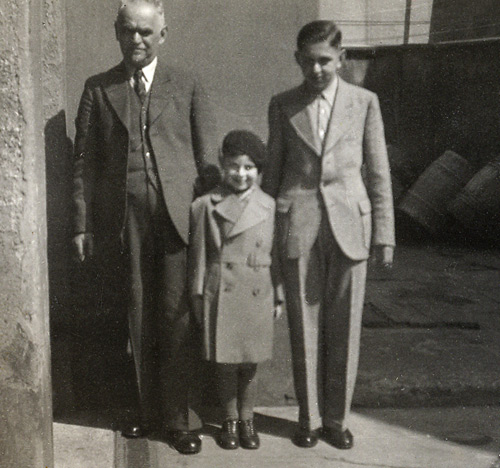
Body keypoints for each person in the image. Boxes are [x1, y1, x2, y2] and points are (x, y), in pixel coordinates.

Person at [71, 0, 217, 454]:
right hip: (123, 221)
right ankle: (140, 411)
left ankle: (179, 419)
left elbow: (207, 156)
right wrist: (82, 224)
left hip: (178, 219)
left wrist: (212, 220)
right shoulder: (98, 88)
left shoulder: (188, 84)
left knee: (176, 315)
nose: (136, 39)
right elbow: (84, 166)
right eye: (127, 30)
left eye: (145, 32)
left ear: (163, 35)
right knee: (133, 313)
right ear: (117, 33)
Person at [261, 20, 395, 450]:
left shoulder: (365, 102)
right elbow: (273, 175)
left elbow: (378, 173)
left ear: (341, 58)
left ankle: (337, 419)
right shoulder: (283, 105)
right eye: (309, 61)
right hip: (298, 224)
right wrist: (263, 236)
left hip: (351, 225)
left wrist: (384, 234)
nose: (317, 69)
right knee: (304, 327)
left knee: (345, 327)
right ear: (297, 60)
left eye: (325, 60)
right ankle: (309, 418)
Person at [188, 130, 283, 450]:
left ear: (258, 171)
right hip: (222, 292)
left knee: (250, 363)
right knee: (225, 363)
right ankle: (229, 419)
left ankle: (247, 419)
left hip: (258, 292)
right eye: (233, 166)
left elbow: (277, 258)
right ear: (222, 164)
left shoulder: (270, 207)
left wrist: (279, 295)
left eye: (248, 168)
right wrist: (198, 296)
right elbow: (199, 258)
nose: (240, 174)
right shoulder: (205, 206)